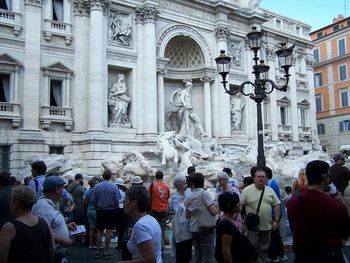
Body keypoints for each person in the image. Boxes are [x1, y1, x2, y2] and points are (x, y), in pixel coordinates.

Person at [287, 160, 350, 262]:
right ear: (325, 178)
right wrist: (341, 202)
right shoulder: (336, 205)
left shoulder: (292, 203)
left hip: (303, 256)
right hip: (329, 256)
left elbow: (293, 227)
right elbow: (344, 234)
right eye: (329, 176)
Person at [0, 186, 54, 263]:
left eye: (11, 200)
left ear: (17, 203)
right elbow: (52, 248)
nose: (9, 203)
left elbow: (2, 259)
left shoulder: (9, 228)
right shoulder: (43, 222)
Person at [32, 176, 77, 263]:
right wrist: (63, 240)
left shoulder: (52, 203)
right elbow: (42, 231)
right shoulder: (42, 207)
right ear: (57, 189)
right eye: (62, 188)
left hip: (56, 254)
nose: (63, 190)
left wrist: (66, 226)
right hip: (50, 256)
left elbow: (50, 225)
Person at [241, 166, 280, 263]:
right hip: (252, 227)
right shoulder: (246, 190)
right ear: (254, 178)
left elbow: (276, 205)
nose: (261, 178)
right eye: (258, 177)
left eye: (263, 177)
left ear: (266, 179)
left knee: (264, 249)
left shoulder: (270, 190)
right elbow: (241, 206)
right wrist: (242, 222)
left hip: (266, 226)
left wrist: (276, 220)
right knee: (252, 248)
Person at [121, 185, 162, 263]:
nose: (124, 204)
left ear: (134, 203)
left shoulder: (140, 226)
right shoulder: (152, 219)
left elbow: (150, 259)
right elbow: (159, 245)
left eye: (125, 200)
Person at [215, 191, 258, 263]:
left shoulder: (229, 221)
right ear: (230, 205)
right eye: (237, 202)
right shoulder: (226, 225)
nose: (240, 204)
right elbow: (226, 251)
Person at [185, 172, 218, 263]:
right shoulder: (204, 193)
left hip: (194, 229)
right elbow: (214, 211)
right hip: (205, 229)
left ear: (192, 183)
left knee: (198, 255)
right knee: (207, 256)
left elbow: (187, 215)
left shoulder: (188, 196)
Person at [91, 168, 119, 259]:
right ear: (110, 176)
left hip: (100, 210)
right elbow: (116, 201)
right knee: (109, 231)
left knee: (99, 230)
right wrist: (116, 209)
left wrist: (97, 208)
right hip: (110, 210)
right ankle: (106, 251)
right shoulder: (114, 186)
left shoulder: (97, 186)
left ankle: (98, 251)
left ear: (103, 176)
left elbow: (94, 200)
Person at [265, 167, 287, 262]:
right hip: (275, 212)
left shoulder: (270, 184)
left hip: (273, 213)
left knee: (272, 236)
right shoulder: (273, 182)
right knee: (275, 235)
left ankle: (274, 255)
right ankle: (281, 254)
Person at [171, 174, 192, 263]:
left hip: (189, 227)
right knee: (180, 252)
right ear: (179, 186)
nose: (186, 185)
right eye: (184, 184)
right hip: (179, 230)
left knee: (188, 253)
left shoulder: (188, 193)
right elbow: (177, 211)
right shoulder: (175, 197)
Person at [148, 170, 171, 247]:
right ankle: (161, 245)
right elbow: (168, 197)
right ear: (162, 177)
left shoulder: (152, 185)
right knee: (162, 229)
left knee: (152, 227)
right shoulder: (166, 186)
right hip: (164, 210)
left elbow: (147, 196)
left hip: (154, 209)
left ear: (156, 177)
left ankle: (152, 245)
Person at [84, 178, 97, 250]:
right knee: (98, 229)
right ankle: (98, 244)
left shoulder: (87, 192)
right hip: (95, 211)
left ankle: (90, 244)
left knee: (91, 228)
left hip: (88, 210)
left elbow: (85, 202)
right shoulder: (96, 192)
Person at [115, 178, 127, 249]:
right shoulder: (125, 191)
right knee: (122, 228)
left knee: (119, 229)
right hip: (124, 210)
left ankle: (120, 244)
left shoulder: (117, 191)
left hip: (118, 210)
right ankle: (122, 244)